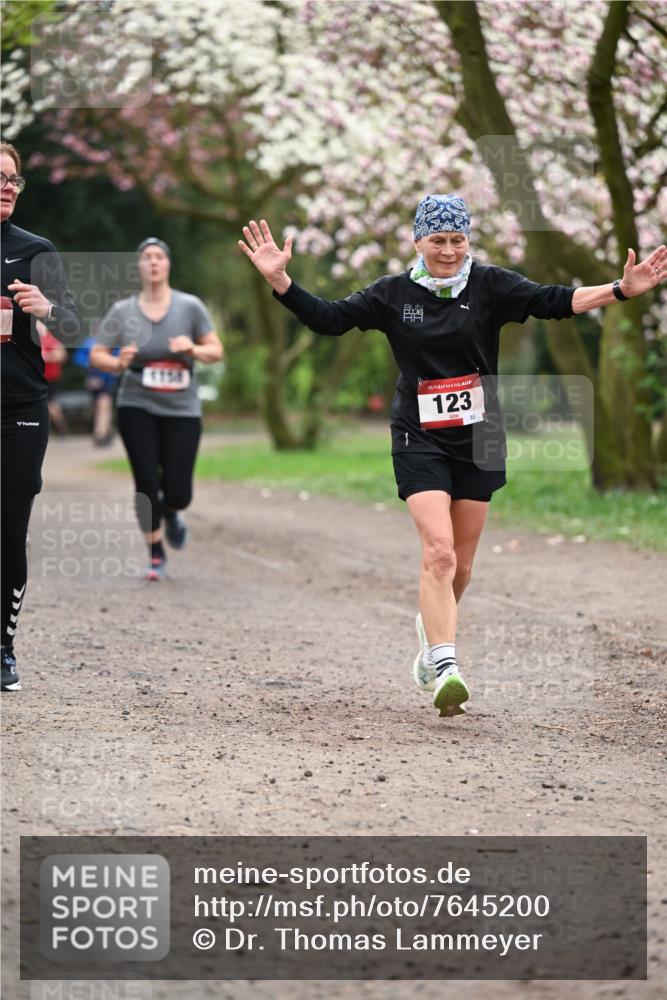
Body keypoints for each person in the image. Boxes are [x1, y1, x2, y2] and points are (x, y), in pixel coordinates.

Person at [238, 196, 667, 718]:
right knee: (438, 551)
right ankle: (445, 666)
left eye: (457, 240)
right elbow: (329, 319)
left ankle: (430, 627)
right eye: (438, 240)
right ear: (418, 240)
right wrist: (281, 282)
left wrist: (622, 289)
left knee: (461, 565)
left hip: (480, 436)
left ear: (468, 240)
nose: (448, 250)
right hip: (419, 434)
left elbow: (556, 300)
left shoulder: (490, 286)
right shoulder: (392, 294)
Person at [90, 238, 223, 580]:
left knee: (179, 490)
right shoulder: (123, 310)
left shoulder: (189, 306)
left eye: (159, 257)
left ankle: (172, 511)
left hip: (182, 406)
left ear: (168, 265)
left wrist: (191, 348)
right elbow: (97, 354)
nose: (152, 262)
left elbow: (216, 351)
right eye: (146, 257)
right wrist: (118, 362)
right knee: (146, 480)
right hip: (137, 403)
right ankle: (155, 554)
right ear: (138, 266)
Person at [1, 140, 80, 692]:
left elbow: (74, 329)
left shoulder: (35, 249)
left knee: (10, 532)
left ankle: (3, 649)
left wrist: (47, 309)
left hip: (19, 409)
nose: (7, 187)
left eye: (13, 180)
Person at [72, 335, 118, 446]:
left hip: (109, 379)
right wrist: (90, 365)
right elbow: (78, 358)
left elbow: (119, 357)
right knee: (100, 406)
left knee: (104, 404)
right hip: (95, 379)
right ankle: (106, 431)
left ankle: (100, 434)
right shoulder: (89, 342)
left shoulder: (114, 342)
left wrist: (116, 366)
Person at [37, 320, 68, 435]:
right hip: (38, 377)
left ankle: (60, 425)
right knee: (46, 403)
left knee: (50, 403)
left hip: (50, 377)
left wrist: (46, 357)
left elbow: (62, 355)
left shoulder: (50, 339)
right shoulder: (33, 340)